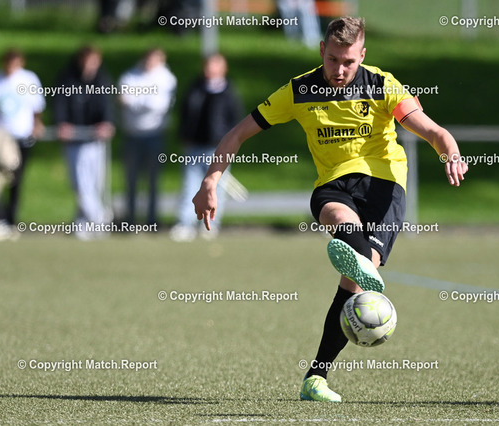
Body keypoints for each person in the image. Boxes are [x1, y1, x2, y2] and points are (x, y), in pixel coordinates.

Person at [192, 17, 468, 401]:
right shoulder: (299, 90)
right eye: (333, 59)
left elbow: (432, 130)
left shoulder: (382, 85)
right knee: (340, 220)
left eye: (349, 62)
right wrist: (210, 182)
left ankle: (316, 377)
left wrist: (450, 152)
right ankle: (357, 256)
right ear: (322, 50)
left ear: (362, 56)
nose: (340, 70)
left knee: (353, 282)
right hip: (334, 185)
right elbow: (237, 134)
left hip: (384, 186)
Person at [171, 53, 242, 241]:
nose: (210, 69)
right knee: (190, 186)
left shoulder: (229, 92)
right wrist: (185, 136)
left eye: (215, 65)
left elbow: (236, 122)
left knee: (216, 189)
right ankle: (185, 223)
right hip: (194, 146)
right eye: (208, 65)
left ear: (223, 68)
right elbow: (185, 114)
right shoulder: (195, 88)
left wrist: (228, 144)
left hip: (218, 149)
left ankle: (210, 225)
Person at [54, 46, 115, 239]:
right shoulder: (67, 79)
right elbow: (60, 103)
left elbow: (106, 105)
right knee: (81, 185)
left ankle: (83, 224)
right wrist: (62, 123)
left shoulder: (102, 80)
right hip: (74, 141)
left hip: (95, 141)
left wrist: (106, 123)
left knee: (95, 184)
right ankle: (100, 218)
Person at [119, 48, 176, 226]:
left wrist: (137, 100)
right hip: (132, 134)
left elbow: (159, 105)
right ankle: (130, 219)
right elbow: (124, 100)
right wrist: (145, 101)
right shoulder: (130, 76)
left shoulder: (167, 79)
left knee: (153, 179)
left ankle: (152, 219)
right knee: (131, 180)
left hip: (155, 134)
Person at [0, 48, 45, 240]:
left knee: (16, 180)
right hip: (2, 139)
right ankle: (1, 219)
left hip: (22, 137)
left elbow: (37, 107)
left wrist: (37, 124)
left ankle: (11, 220)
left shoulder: (28, 79)